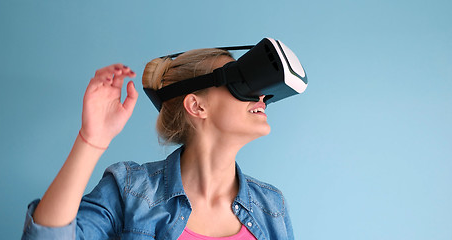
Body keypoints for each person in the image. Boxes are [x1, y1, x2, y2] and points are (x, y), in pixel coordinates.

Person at [22, 48, 294, 239]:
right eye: (241, 82)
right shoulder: (129, 191)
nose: (260, 96)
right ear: (197, 105)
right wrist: (91, 140)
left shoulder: (271, 206)